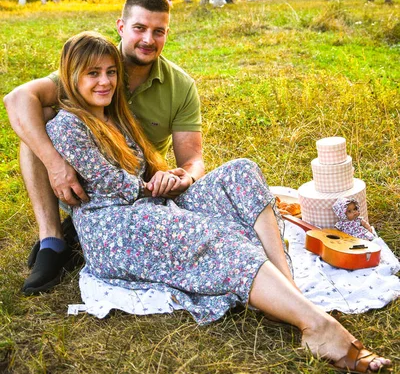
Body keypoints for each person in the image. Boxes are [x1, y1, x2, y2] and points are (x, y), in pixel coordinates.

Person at [45, 31, 390, 374]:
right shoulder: (67, 125)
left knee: (241, 172)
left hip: (150, 204)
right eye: (93, 73)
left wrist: (172, 177)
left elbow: (148, 173)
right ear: (71, 76)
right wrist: (156, 185)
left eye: (110, 72)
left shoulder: (116, 116)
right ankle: (317, 327)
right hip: (112, 227)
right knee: (213, 234)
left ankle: (287, 289)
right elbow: (112, 184)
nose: (105, 81)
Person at [3, 0, 205, 295]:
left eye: (158, 31)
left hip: (140, 183)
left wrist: (182, 175)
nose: (148, 39)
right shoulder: (96, 67)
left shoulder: (180, 85)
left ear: (166, 34)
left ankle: (82, 228)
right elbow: (17, 98)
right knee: (38, 117)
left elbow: (194, 159)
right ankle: (52, 240)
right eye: (140, 28)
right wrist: (55, 165)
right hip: (81, 180)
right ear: (121, 27)